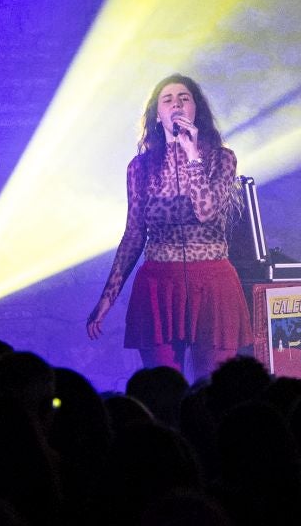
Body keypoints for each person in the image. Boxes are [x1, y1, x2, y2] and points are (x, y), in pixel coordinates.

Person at [86, 74, 251, 380]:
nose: (176, 104)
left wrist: (192, 156)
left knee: (214, 384)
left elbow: (206, 211)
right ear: (157, 114)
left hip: (212, 282)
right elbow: (134, 234)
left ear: (195, 110)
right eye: (168, 99)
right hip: (159, 284)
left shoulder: (221, 159)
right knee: (163, 383)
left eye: (184, 98)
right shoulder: (141, 167)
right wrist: (107, 298)